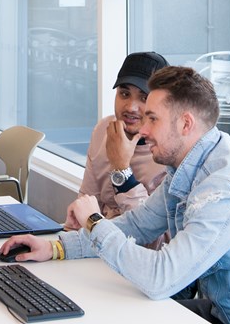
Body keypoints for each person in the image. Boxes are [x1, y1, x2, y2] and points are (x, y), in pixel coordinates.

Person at [0, 66, 230, 323]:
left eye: (153, 118)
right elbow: (136, 226)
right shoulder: (188, 168)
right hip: (226, 313)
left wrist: (95, 222)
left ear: (185, 124)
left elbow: (160, 278)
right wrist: (55, 247)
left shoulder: (224, 189)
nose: (143, 129)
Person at [64, 52, 168, 232]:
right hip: (95, 241)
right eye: (124, 93)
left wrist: (121, 168)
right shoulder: (103, 130)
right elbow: (87, 200)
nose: (130, 107)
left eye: (144, 98)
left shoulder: (167, 153)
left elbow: (147, 233)